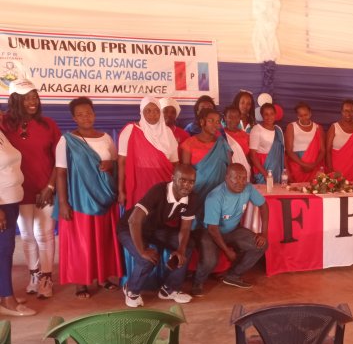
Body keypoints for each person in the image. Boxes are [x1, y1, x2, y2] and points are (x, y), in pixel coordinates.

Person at [55, 97, 123, 299]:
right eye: (80, 114)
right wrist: (63, 203)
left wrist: (110, 165)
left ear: (94, 114)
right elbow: (61, 172)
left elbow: (117, 164)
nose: (86, 117)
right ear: (74, 118)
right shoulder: (66, 141)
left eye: (89, 113)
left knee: (103, 240)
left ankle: (103, 278)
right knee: (82, 243)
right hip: (79, 200)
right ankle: (81, 283)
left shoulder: (106, 138)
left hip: (105, 199)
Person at [0, 79, 60, 299]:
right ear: (15, 100)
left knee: (44, 234)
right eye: (26, 98)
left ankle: (46, 278)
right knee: (26, 235)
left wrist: (50, 186)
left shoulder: (48, 125)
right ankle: (34, 275)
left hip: (45, 189)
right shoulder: (5, 124)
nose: (32, 102)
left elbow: (60, 160)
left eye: (35, 97)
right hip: (17, 191)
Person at [116, 164, 199, 307]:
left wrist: (180, 250)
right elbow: (133, 220)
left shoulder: (192, 197)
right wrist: (142, 250)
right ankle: (131, 290)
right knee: (147, 259)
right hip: (129, 228)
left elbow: (185, 228)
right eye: (183, 180)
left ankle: (169, 290)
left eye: (191, 182)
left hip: (154, 229)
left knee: (188, 245)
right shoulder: (159, 191)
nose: (187, 185)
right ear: (173, 178)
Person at [195, 163, 269, 290]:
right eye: (236, 178)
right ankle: (197, 282)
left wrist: (264, 233)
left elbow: (263, 205)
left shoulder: (248, 188)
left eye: (243, 178)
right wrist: (226, 250)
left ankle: (233, 275)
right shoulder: (215, 196)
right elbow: (212, 229)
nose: (240, 182)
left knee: (261, 245)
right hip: (211, 233)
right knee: (210, 261)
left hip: (233, 230)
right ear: (227, 178)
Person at [118, 97, 179, 210]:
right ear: (142, 112)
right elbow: (122, 162)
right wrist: (121, 190)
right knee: (139, 216)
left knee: (161, 215)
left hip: (164, 182)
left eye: (156, 110)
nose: (153, 114)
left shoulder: (167, 132)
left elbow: (175, 163)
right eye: (148, 110)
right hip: (140, 183)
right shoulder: (131, 130)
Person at [0, 128, 35, 316]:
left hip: (11, 200)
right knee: (4, 251)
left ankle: (3, 293)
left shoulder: (2, 133)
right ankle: (8, 300)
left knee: (5, 250)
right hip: (2, 203)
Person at [180, 108, 231, 201]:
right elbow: (186, 172)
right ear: (202, 122)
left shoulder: (222, 143)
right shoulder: (189, 143)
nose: (215, 125)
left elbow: (230, 168)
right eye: (211, 121)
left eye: (218, 122)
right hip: (197, 192)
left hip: (219, 192)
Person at [326, 99, 353, 181]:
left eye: (351, 111)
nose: (348, 113)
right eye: (346, 110)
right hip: (337, 172)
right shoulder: (334, 127)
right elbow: (328, 151)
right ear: (342, 111)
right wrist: (331, 170)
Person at [285, 102, 325, 182]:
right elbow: (289, 151)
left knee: (314, 188)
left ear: (310, 113)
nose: (304, 117)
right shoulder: (291, 126)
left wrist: (313, 165)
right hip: (297, 165)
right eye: (301, 115)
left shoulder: (318, 127)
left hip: (314, 165)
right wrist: (304, 164)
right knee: (297, 188)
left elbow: (322, 150)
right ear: (297, 115)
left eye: (306, 115)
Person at [249, 103, 285, 183]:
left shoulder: (278, 129)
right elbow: (252, 155)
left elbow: (282, 153)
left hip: (277, 167)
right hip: (263, 168)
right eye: (266, 114)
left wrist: (285, 171)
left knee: (277, 189)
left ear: (275, 114)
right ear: (262, 115)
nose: (269, 117)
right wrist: (265, 174)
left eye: (272, 114)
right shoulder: (256, 129)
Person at [222, 106, 252, 180]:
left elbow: (247, 155)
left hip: (245, 170)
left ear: (240, 118)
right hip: (228, 172)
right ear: (225, 118)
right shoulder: (221, 135)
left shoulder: (245, 135)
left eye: (236, 117)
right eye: (230, 117)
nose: (234, 120)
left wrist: (249, 169)